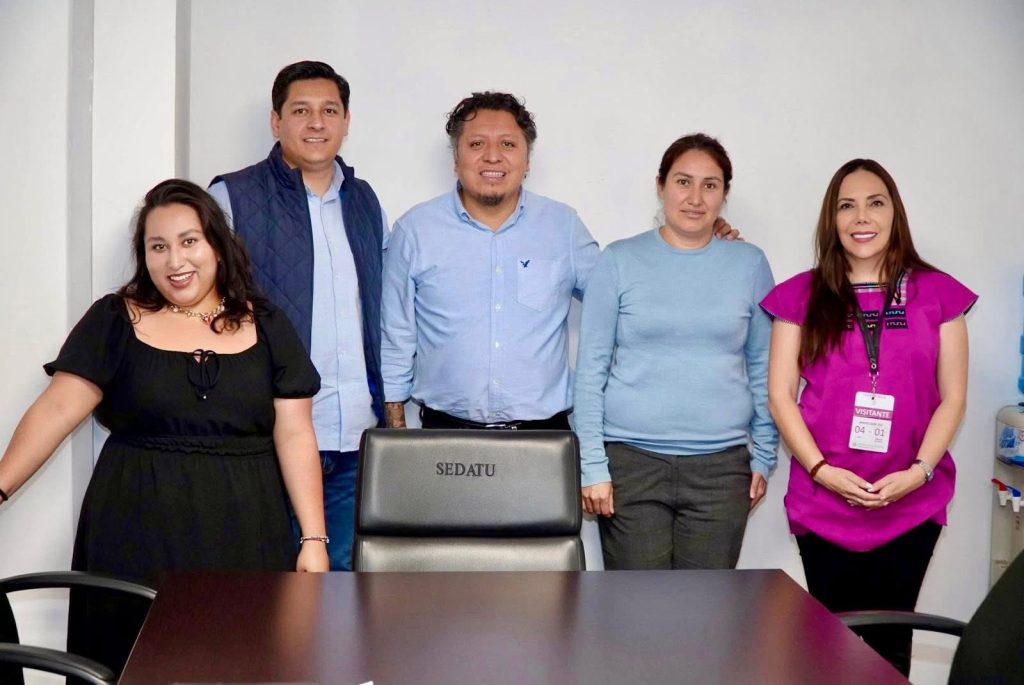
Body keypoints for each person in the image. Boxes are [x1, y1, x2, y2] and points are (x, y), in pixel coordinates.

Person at [0, 179, 328, 674]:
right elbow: (57, 410)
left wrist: (314, 539)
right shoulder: (115, 319)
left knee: (244, 665)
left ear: (217, 245)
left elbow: (296, 434)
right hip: (135, 529)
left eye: (189, 241)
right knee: (129, 665)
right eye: (158, 247)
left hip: (247, 532)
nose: (175, 261)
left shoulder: (268, 324)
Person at [381, 93, 739, 431]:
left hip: (544, 435)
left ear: (527, 160)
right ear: (456, 159)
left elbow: (624, 296)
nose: (492, 157)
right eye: (476, 144)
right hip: (444, 433)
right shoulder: (415, 231)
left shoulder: (562, 226)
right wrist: (396, 434)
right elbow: (395, 335)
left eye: (508, 144)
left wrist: (699, 241)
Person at [761, 159, 975, 675]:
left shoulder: (938, 294)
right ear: (832, 219)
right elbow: (780, 396)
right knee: (829, 649)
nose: (862, 217)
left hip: (910, 500)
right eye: (847, 206)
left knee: (891, 649)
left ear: (894, 212)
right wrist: (821, 471)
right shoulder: (800, 296)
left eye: (875, 203)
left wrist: (919, 472)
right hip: (825, 499)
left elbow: (954, 398)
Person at [209, 61, 388, 571]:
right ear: (276, 121)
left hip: (355, 440)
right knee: (268, 590)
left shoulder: (364, 201)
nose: (316, 123)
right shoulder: (230, 197)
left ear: (346, 121)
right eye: (301, 110)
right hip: (269, 439)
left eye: (329, 111)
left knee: (344, 592)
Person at [573, 133, 777, 570]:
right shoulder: (619, 260)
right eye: (683, 182)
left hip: (721, 470)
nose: (696, 198)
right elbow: (590, 371)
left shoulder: (750, 265)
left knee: (707, 606)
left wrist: (764, 454)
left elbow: (765, 367)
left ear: (724, 194)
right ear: (661, 185)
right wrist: (593, 466)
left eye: (710, 185)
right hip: (631, 464)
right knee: (636, 605)